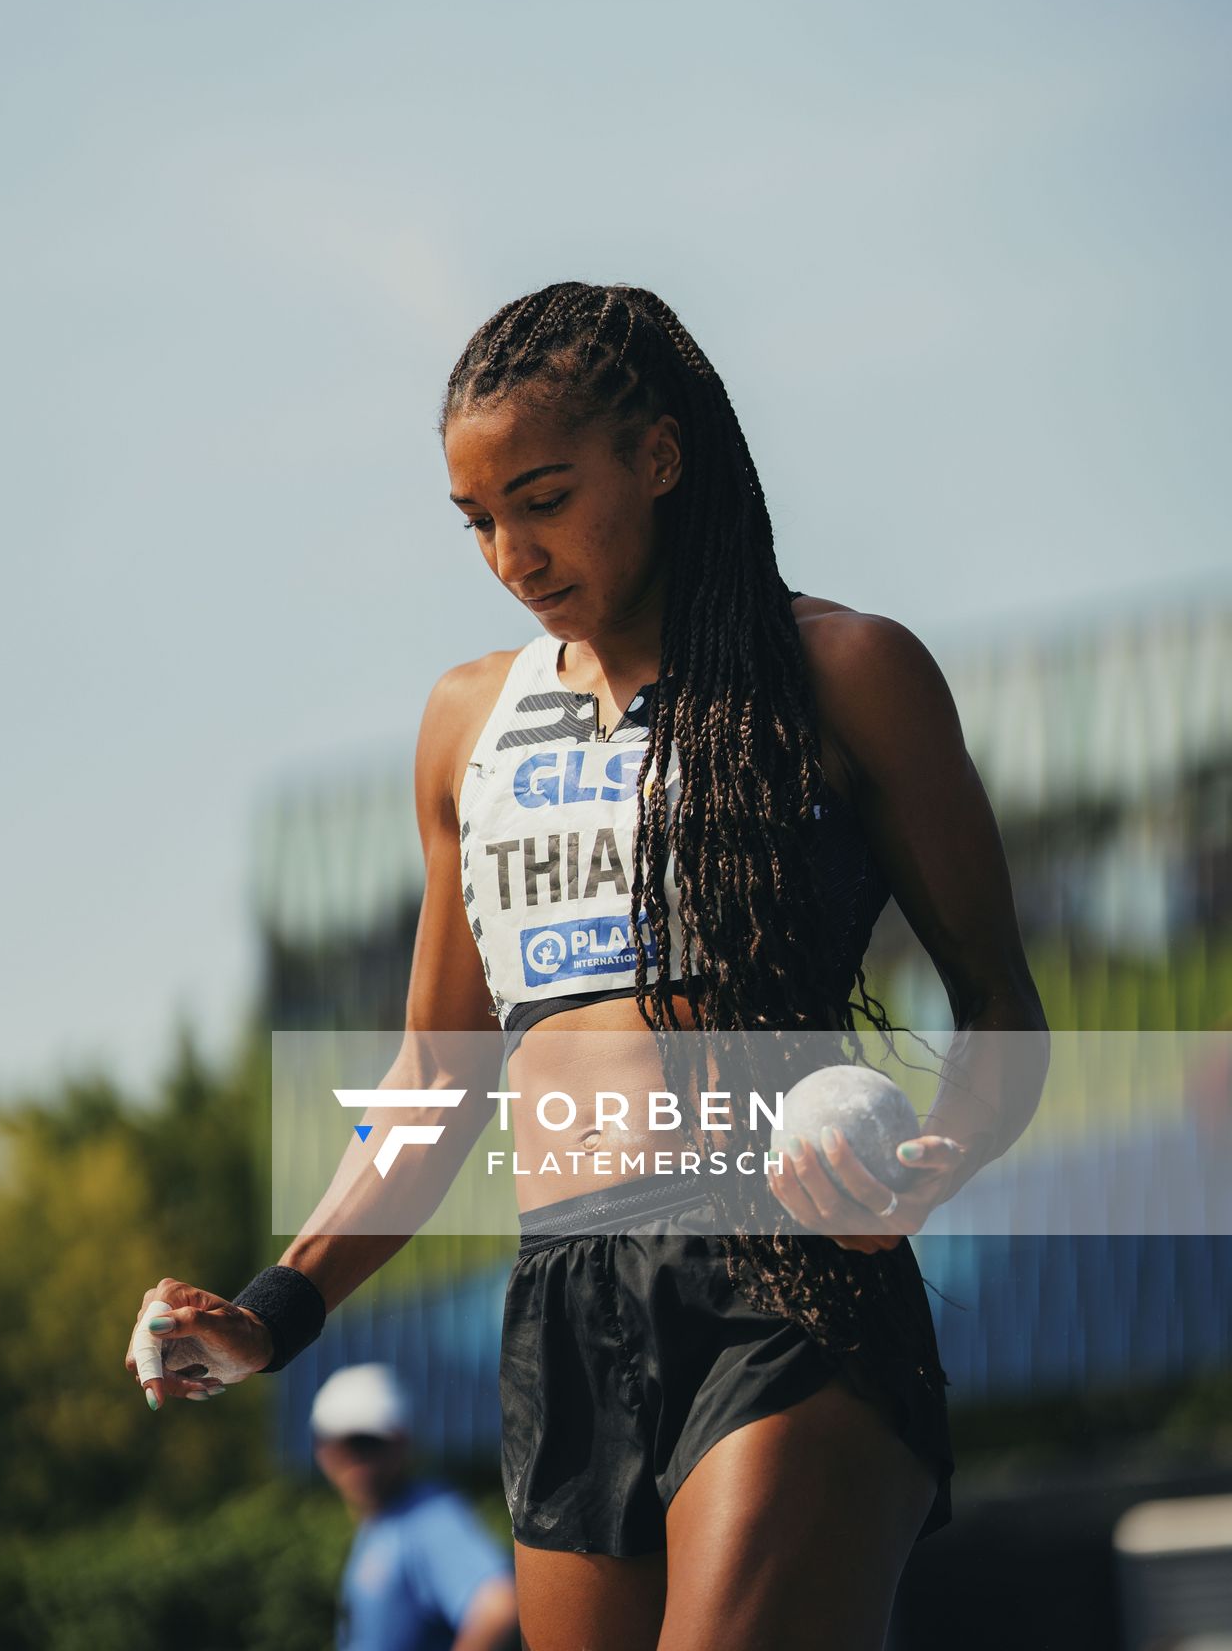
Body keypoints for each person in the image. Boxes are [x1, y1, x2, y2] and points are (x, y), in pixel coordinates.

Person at [126, 281, 1050, 1651]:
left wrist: (930, 1166)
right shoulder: (465, 722)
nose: (512, 551)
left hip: (791, 1279)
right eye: (479, 519)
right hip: (566, 1305)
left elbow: (1002, 1016)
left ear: (660, 459)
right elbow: (438, 1074)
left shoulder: (846, 672)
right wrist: (275, 1310)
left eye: (545, 497)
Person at [309, 1362, 519, 1651]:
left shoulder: (430, 1517)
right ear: (322, 1450)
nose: (355, 1458)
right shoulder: (382, 1524)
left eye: (369, 1442)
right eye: (341, 1442)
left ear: (401, 1442)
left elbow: (499, 1605)